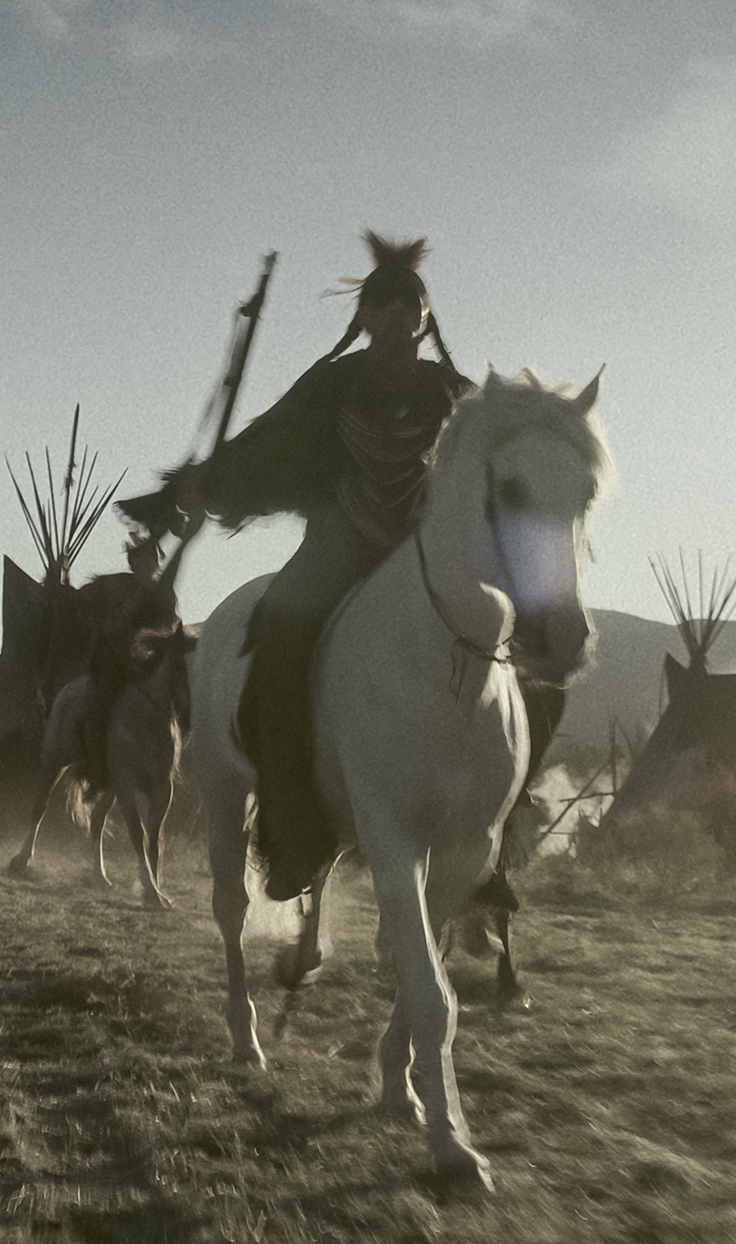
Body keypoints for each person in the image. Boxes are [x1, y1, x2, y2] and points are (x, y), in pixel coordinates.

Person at [122, 230, 471, 897]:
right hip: (336, 547)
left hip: (423, 557)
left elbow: (493, 465)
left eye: (410, 304)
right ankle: (292, 828)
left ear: (426, 319)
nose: (397, 314)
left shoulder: (457, 396)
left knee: (507, 646)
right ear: (364, 317)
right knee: (279, 641)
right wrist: (202, 485)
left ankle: (487, 846)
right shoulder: (331, 385)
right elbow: (265, 441)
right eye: (384, 303)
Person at [74, 535, 175, 792]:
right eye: (144, 559)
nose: (150, 564)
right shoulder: (111, 585)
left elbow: (170, 626)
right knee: (98, 712)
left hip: (151, 663)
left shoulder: (165, 592)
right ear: (134, 562)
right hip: (114, 663)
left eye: (153, 559)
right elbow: (82, 604)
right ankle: (96, 773)